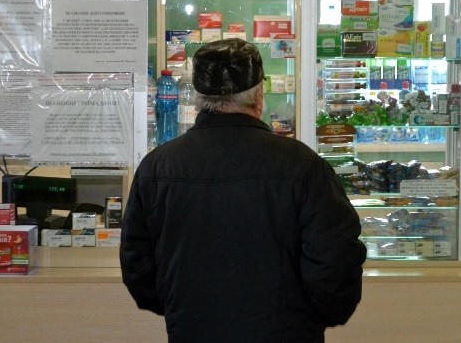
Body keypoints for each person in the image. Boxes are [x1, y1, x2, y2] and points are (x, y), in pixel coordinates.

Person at [120, 38, 367, 342]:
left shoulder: (158, 167)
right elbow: (335, 258)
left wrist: (181, 306)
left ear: (197, 98)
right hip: (286, 333)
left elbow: (137, 263)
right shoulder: (301, 164)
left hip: (192, 330)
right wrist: (317, 315)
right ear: (259, 96)